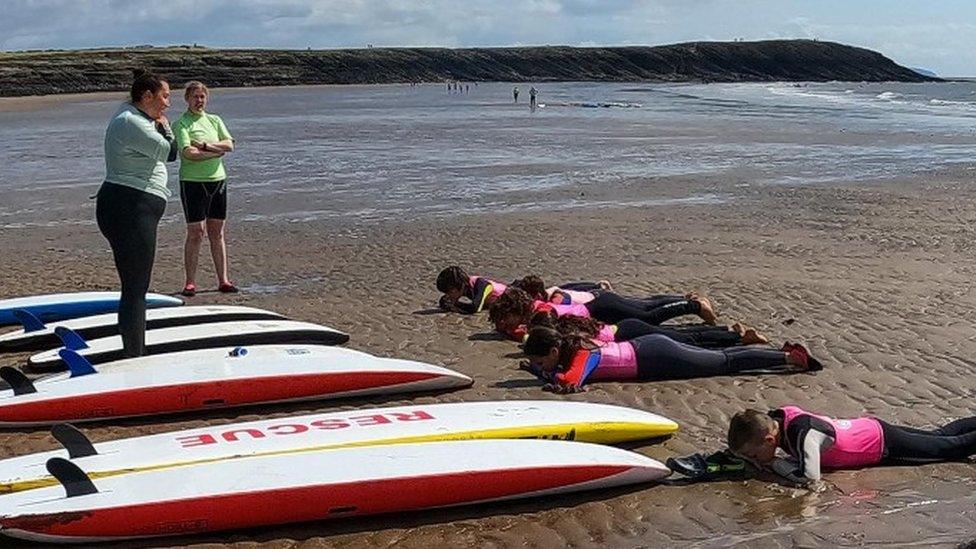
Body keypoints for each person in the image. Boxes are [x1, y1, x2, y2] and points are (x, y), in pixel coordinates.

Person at [97, 69, 177, 357]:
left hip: (129, 206)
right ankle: (134, 357)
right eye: (164, 96)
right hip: (128, 208)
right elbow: (170, 151)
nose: (168, 103)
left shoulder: (135, 115)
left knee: (135, 286)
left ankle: (135, 351)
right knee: (135, 288)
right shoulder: (131, 122)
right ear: (146, 96)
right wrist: (166, 127)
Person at [728, 407, 976, 491]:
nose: (754, 459)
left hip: (880, 444)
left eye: (753, 455)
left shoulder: (803, 434)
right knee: (940, 436)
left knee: (951, 448)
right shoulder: (775, 420)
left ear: (770, 441)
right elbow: (750, 433)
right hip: (870, 428)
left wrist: (774, 464)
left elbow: (811, 478)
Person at [521, 327, 820, 393]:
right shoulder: (574, 349)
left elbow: (571, 380)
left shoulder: (582, 356)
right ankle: (782, 353)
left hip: (656, 357)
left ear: (553, 352)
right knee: (720, 358)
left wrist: (545, 377)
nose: (543, 365)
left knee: (723, 361)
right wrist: (538, 369)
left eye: (542, 360)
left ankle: (788, 358)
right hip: (648, 349)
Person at [173, 81, 237, 296]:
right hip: (192, 182)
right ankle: (190, 282)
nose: (199, 101)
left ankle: (223, 280)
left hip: (217, 180)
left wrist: (207, 146)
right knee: (195, 233)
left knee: (216, 232)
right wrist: (215, 153)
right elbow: (188, 153)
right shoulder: (182, 123)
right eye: (195, 97)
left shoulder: (214, 120)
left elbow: (229, 145)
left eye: (202, 97)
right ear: (187, 99)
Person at [488, 287, 716, 341]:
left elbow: (539, 334)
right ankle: (689, 301)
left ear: (515, 311)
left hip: (602, 309)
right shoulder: (533, 310)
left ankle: (694, 307)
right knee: (645, 307)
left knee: (649, 317)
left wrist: (519, 333)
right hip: (601, 303)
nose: (503, 323)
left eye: (504, 318)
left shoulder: (542, 311)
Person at [528, 309, 768, 347]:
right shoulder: (569, 323)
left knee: (685, 339)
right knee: (683, 335)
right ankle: (730, 331)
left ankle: (738, 338)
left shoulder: (568, 335)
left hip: (630, 333)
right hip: (626, 328)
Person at [434, 266, 609, 315]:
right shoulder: (467, 289)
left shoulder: (481, 284)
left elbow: (475, 307)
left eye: (449, 292)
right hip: (512, 296)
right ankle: (595, 288)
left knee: (554, 292)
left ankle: (596, 288)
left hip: (519, 293)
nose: (449, 296)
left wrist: (456, 307)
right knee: (555, 289)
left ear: (456, 287)